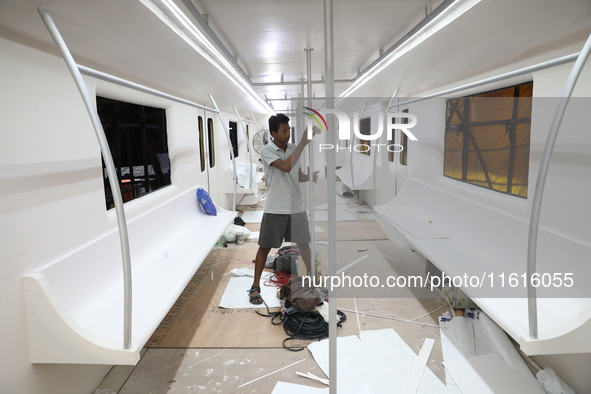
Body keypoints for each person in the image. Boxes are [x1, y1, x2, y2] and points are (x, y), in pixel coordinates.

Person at [248, 113, 319, 304]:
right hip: (276, 207)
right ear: (273, 133)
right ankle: (255, 286)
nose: (288, 134)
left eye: (289, 130)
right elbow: (286, 167)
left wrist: (308, 176)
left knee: (304, 245)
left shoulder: (293, 148)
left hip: (296, 206)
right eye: (284, 130)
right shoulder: (266, 150)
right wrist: (304, 143)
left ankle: (315, 281)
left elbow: (295, 173)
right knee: (265, 247)